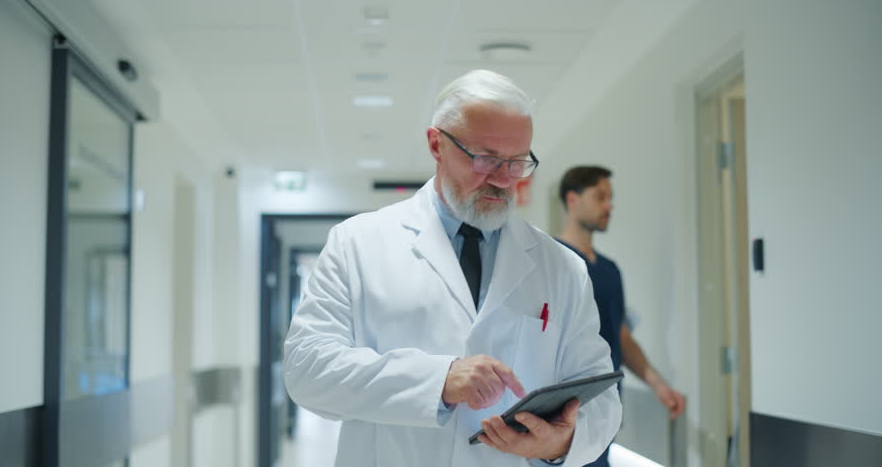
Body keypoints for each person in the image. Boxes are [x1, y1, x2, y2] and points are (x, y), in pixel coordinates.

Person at [283, 70, 621, 467]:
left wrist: (558, 445)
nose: (502, 180)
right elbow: (307, 371)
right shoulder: (357, 243)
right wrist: (438, 381)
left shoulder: (562, 267)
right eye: (485, 159)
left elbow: (601, 403)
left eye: (517, 163)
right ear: (436, 144)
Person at [556, 166, 686, 467]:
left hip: (605, 411)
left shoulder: (610, 270)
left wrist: (658, 385)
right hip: (562, 418)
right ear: (573, 200)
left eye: (611, 198)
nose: (609, 205)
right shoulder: (553, 262)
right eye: (600, 197)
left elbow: (621, 336)